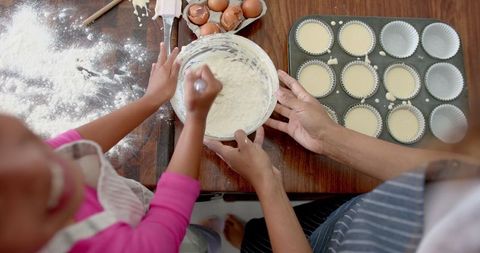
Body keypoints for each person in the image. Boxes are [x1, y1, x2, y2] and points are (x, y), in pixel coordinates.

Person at [204, 70, 480, 253]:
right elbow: (448, 171)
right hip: (354, 217)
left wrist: (267, 182)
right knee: (263, 235)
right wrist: (328, 137)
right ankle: (252, 240)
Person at [0, 42, 223, 253]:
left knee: (197, 235)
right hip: (161, 235)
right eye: (43, 187)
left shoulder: (23, 167)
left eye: (31, 140)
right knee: (192, 243)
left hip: (133, 206)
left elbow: (75, 142)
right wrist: (196, 118)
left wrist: (151, 100)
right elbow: (168, 216)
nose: (56, 162)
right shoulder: (117, 247)